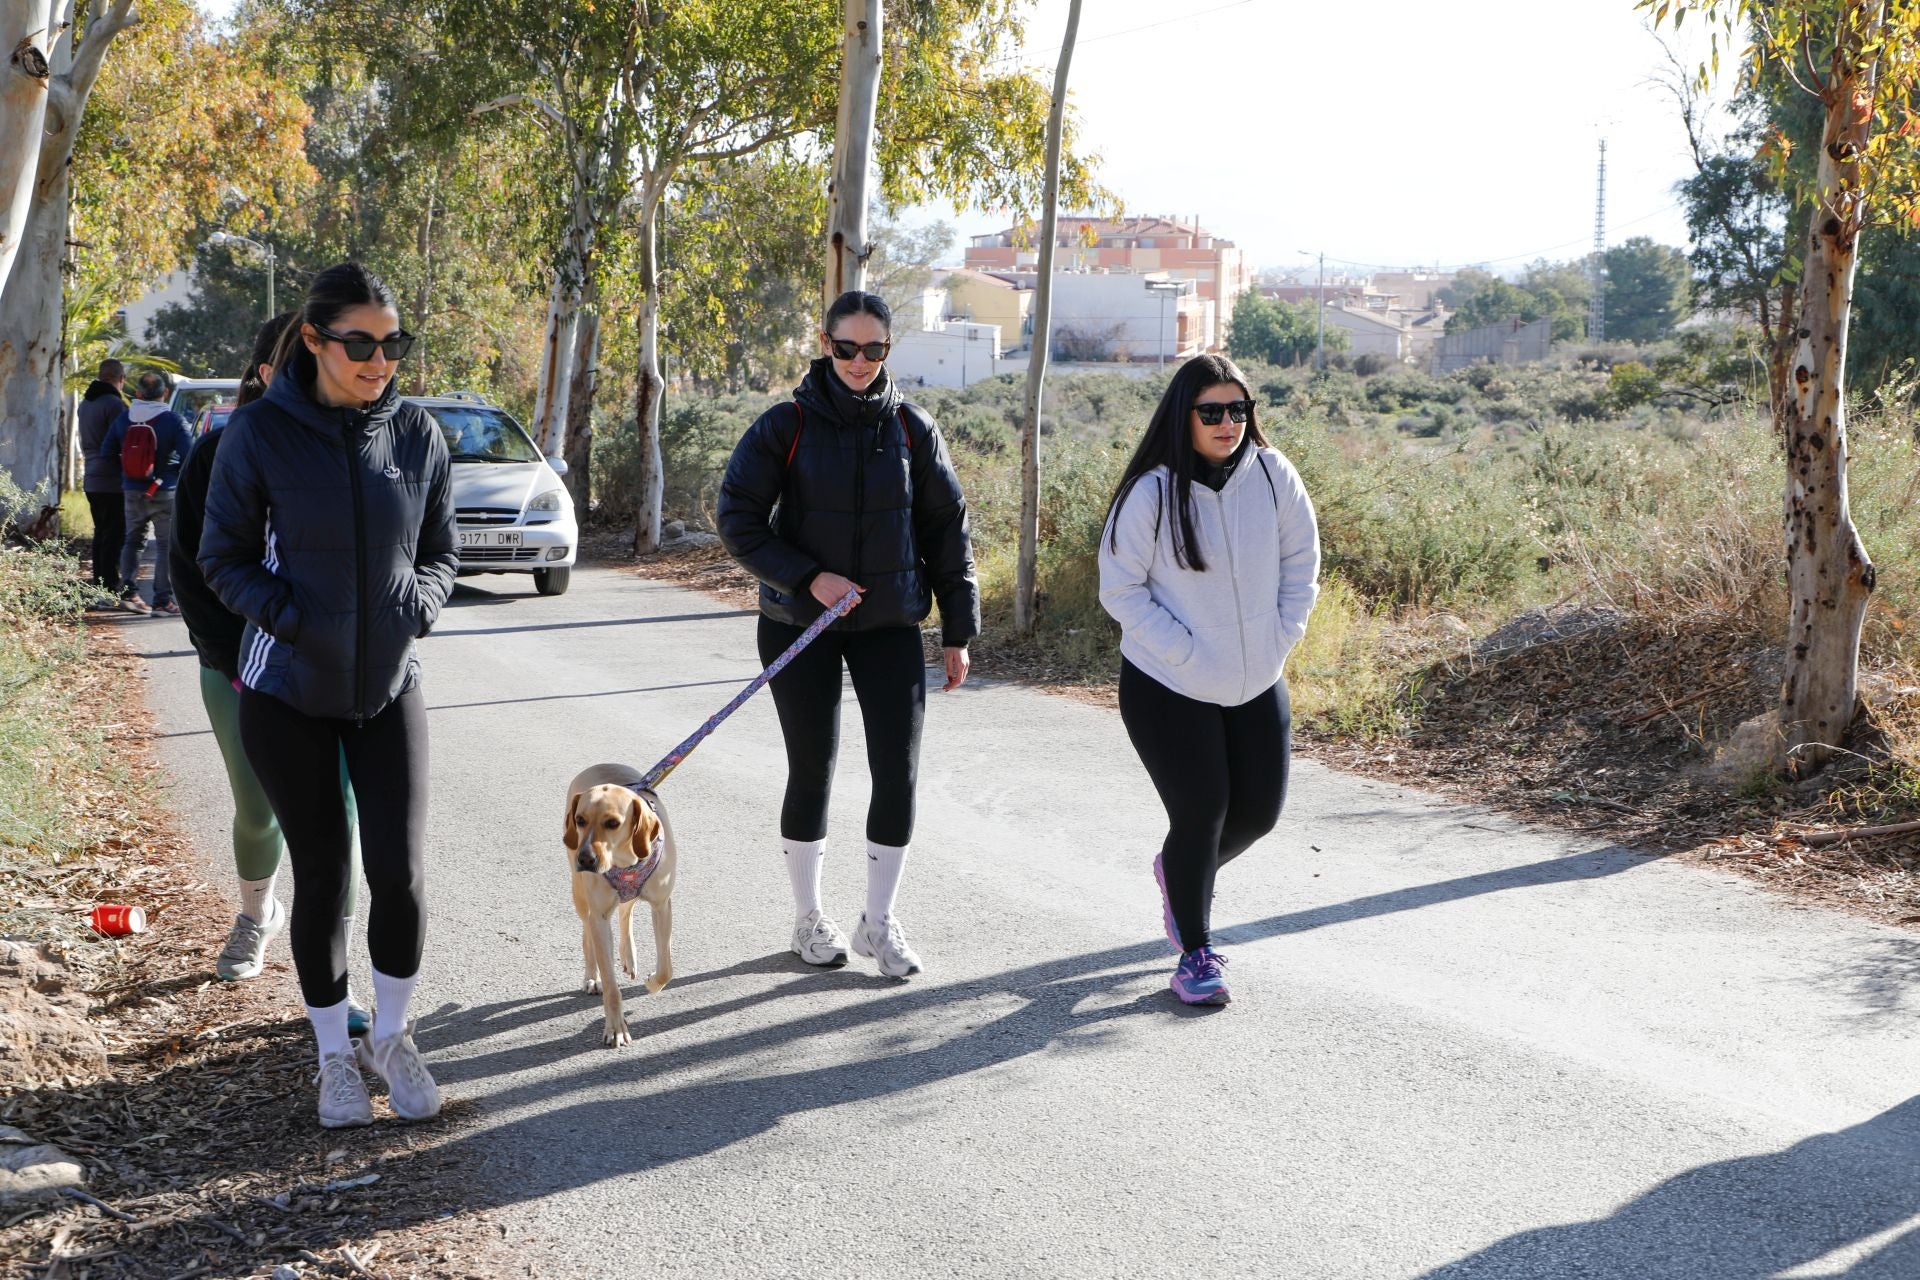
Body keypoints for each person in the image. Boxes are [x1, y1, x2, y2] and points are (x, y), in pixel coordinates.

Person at [199, 263, 456, 1128]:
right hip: (286, 691)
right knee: (324, 875)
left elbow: (441, 552)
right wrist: (293, 619)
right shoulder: (258, 435)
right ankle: (331, 1056)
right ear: (312, 340)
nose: (379, 360)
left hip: (390, 688)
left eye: (392, 344)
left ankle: (391, 1037)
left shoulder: (418, 433)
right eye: (360, 344)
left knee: (403, 875)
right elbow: (221, 558)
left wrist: (414, 608)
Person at [717, 290, 978, 979]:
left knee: (899, 774)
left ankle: (878, 922)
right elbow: (737, 516)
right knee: (814, 770)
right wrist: (809, 578)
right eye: (846, 347)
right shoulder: (787, 424)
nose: (859, 361)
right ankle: (808, 918)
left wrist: (959, 628)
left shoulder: (914, 430)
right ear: (825, 345)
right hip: (799, 623)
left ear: (888, 350)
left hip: (890, 623)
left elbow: (947, 531)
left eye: (874, 349)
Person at [1097, 354, 1320, 1006]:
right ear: (1184, 417)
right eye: (1212, 412)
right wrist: (1188, 654)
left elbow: (1302, 561)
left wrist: (1282, 636)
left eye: (1239, 411)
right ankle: (1196, 954)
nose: (1228, 424)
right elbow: (1121, 591)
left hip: (1258, 677)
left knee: (1258, 814)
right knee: (1202, 811)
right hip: (1169, 683)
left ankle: (1178, 875)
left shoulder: (1274, 477)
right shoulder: (1152, 494)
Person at [169, 313, 369, 1030]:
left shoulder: (357, 448)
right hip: (238, 670)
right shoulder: (217, 454)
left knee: (335, 816)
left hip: (340, 672)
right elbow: (192, 572)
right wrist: (241, 663)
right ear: (265, 374)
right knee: (260, 810)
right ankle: (258, 913)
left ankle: (336, 985)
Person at [100, 370, 192, 615]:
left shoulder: (123, 419)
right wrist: (170, 473)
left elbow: (106, 453)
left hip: (132, 491)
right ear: (165, 393)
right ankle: (163, 601)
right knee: (165, 546)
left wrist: (127, 473)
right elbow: (189, 456)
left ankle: (129, 594)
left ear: (138, 394)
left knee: (132, 540)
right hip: (164, 492)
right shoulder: (173, 421)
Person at [76, 359, 128, 607]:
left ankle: (99, 582)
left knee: (101, 532)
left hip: (91, 479)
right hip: (112, 480)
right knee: (115, 534)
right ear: (120, 379)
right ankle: (109, 586)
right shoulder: (115, 404)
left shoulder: (85, 404)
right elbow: (121, 442)